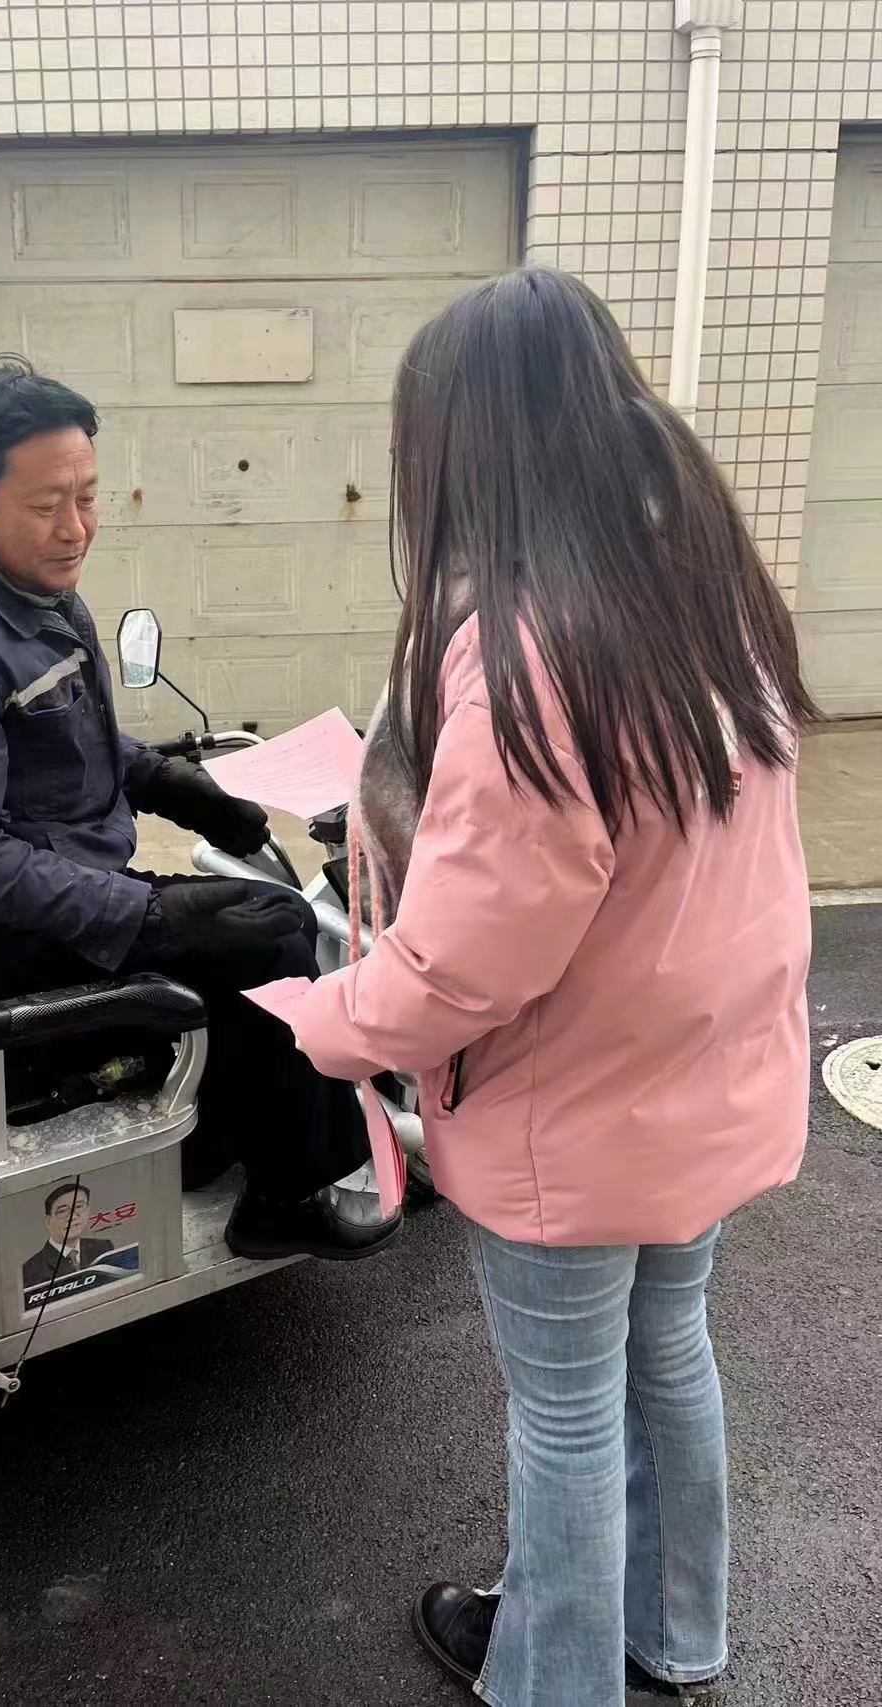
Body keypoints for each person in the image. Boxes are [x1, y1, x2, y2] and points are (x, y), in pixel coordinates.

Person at [291, 268, 814, 1706]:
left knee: (569, 1417)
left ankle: (552, 1680)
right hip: (708, 1084)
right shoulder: (704, 589)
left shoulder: (528, 647)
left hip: (570, 1116)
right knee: (670, 1354)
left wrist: (325, 1019)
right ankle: (675, 1632)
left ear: (466, 447)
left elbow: (467, 959)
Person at [0, 359, 397, 1264]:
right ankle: (286, 1194)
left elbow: (58, 736)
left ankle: (206, 1137)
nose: (77, 527)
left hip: (40, 877)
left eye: (88, 496)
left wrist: (171, 784)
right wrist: (147, 914)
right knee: (275, 931)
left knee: (237, 918)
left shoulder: (9, 579)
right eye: (48, 503)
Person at [21, 1183, 114, 1293]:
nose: (73, 1216)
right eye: (63, 1211)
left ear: (88, 1209)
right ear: (48, 1221)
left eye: (79, 1207)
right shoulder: (31, 1269)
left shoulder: (103, 1247)